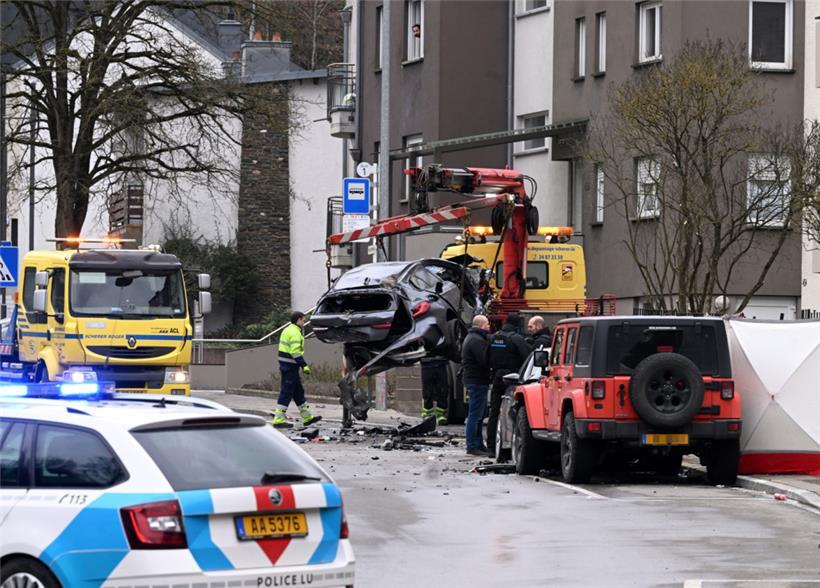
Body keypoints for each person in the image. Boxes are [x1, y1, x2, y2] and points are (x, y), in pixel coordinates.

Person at [486, 313, 530, 451]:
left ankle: (492, 447)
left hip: (497, 378)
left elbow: (486, 357)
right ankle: (511, 447)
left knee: (494, 412)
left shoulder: (493, 337)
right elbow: (528, 357)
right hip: (513, 379)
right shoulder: (516, 339)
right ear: (517, 325)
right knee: (513, 413)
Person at [272, 311, 322, 428]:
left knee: (298, 392)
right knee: (286, 392)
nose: (304, 322)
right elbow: (295, 351)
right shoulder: (295, 332)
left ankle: (307, 417)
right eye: (303, 319)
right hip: (290, 366)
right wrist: (303, 365)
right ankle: (278, 419)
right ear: (298, 320)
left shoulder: (288, 329)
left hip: (287, 365)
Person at [461, 315, 491, 456]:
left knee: (479, 414)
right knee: (475, 415)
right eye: (487, 324)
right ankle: (472, 445)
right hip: (477, 380)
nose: (489, 326)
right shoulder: (477, 340)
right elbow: (484, 360)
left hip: (476, 380)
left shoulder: (472, 337)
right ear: (481, 325)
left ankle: (478, 444)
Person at [420, 356, 449, 425]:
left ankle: (441, 416)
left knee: (442, 391)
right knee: (427, 392)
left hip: (441, 363)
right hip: (426, 364)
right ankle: (427, 415)